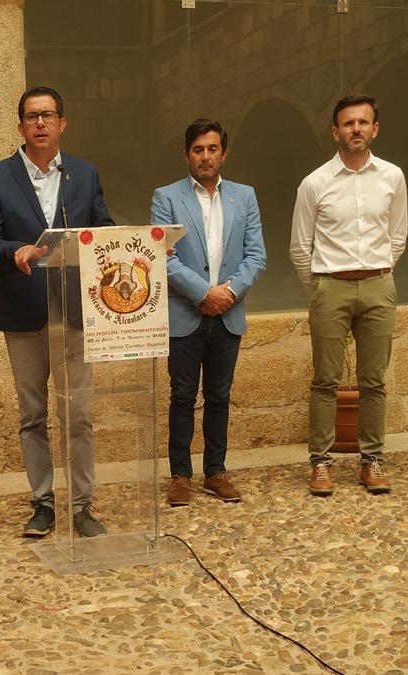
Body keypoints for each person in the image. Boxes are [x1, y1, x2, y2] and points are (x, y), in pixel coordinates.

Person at [0, 86, 114, 538]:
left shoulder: (84, 174)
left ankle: (82, 505)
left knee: (79, 415)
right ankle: (43, 503)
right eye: (32, 116)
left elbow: (103, 228)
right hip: (25, 311)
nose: (40, 123)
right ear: (20, 126)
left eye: (48, 115)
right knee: (32, 415)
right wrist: (16, 251)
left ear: (62, 123)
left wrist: (126, 244)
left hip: (75, 313)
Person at [289, 94, 408, 496]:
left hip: (377, 284)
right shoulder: (315, 183)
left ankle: (371, 460)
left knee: (373, 380)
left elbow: (398, 236)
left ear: (375, 128)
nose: (355, 129)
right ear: (335, 131)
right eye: (348, 123)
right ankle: (320, 464)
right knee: (325, 380)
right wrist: (320, 287)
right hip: (330, 285)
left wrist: (379, 271)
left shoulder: (393, 177)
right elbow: (300, 247)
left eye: (363, 122)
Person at [150, 118, 266, 507]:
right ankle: (180, 476)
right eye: (198, 150)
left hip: (228, 313)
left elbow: (256, 255)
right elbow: (161, 258)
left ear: (224, 153)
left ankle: (216, 472)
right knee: (182, 396)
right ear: (187, 155)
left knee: (219, 396)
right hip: (186, 313)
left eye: (212, 149)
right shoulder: (166, 197)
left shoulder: (244, 197)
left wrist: (228, 293)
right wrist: (204, 293)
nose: (205, 156)